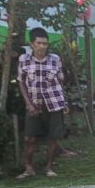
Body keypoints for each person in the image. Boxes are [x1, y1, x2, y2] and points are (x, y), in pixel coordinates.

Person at [17, 27, 67, 179]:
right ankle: (29, 167)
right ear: (32, 44)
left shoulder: (55, 59)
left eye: (45, 44)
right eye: (39, 43)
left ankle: (49, 167)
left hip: (54, 103)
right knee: (29, 138)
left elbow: (61, 80)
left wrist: (65, 102)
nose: (42, 47)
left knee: (53, 137)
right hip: (34, 104)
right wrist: (28, 103)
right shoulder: (23, 60)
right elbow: (21, 82)